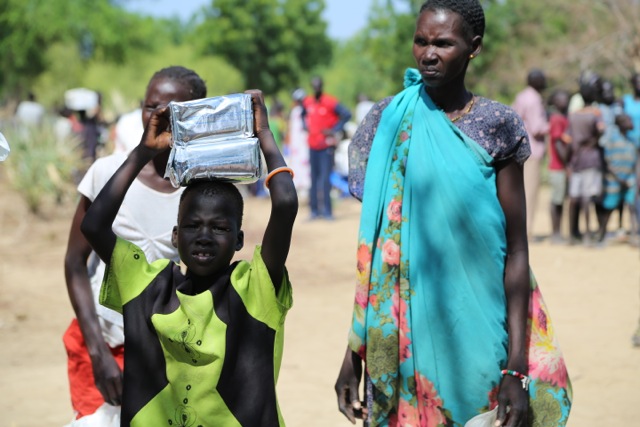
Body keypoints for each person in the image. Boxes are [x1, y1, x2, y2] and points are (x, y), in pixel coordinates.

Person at [335, 1, 572, 426]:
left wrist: (516, 369)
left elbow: (516, 252)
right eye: (421, 41)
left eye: (443, 43)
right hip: (403, 342)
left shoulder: (497, 124)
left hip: (480, 334)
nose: (428, 53)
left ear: (473, 47)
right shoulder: (387, 121)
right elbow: (378, 252)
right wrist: (355, 354)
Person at [80, 89, 297, 426]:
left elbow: (284, 204)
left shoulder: (254, 289)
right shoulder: (149, 284)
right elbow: (93, 225)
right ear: (175, 236)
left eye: (220, 228)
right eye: (193, 225)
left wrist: (264, 133)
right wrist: (142, 152)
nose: (205, 236)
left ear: (239, 239)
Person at [63, 66, 207, 425]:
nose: (158, 116)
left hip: (165, 353)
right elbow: (74, 263)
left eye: (172, 109)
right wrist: (98, 352)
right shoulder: (106, 173)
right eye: (150, 106)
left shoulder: (205, 191)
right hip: (101, 341)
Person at [302, 76, 352, 220]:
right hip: (312, 145)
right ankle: (314, 211)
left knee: (325, 179)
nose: (316, 88)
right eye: (314, 85)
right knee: (313, 178)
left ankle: (328, 211)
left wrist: (334, 129)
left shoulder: (330, 102)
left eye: (318, 85)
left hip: (326, 147)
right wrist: (306, 126)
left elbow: (347, 114)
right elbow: (302, 115)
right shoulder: (308, 102)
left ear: (322, 86)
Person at [567, 74, 605, 245]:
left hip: (576, 160)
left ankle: (572, 234)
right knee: (588, 198)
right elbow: (602, 130)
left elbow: (567, 138)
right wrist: (593, 140)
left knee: (575, 197)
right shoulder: (596, 113)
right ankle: (589, 234)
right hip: (591, 158)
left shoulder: (574, 115)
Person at [512, 69, 549, 238]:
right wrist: (553, 124)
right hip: (531, 151)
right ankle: (526, 231)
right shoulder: (534, 99)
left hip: (518, 149)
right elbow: (537, 128)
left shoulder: (522, 96)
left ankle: (519, 229)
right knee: (530, 192)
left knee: (519, 191)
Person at [596, 113, 638, 244]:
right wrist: (618, 177)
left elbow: (636, 161)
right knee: (609, 207)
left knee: (632, 207)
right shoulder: (612, 140)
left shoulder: (632, 140)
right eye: (627, 120)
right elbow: (606, 160)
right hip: (614, 181)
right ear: (620, 124)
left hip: (629, 179)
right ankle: (601, 236)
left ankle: (635, 236)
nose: (631, 122)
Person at [548, 89, 572, 244]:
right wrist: (567, 164)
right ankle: (555, 233)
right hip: (558, 166)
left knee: (561, 199)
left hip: (561, 166)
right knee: (557, 200)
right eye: (560, 98)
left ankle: (558, 232)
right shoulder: (557, 119)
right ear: (555, 102)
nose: (564, 101)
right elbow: (557, 143)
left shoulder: (564, 117)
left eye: (566, 98)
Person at [286, 88, 311, 199]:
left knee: (304, 163)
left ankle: (305, 188)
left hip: (304, 143)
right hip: (297, 144)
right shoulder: (296, 111)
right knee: (298, 163)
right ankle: (299, 188)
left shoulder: (305, 110)